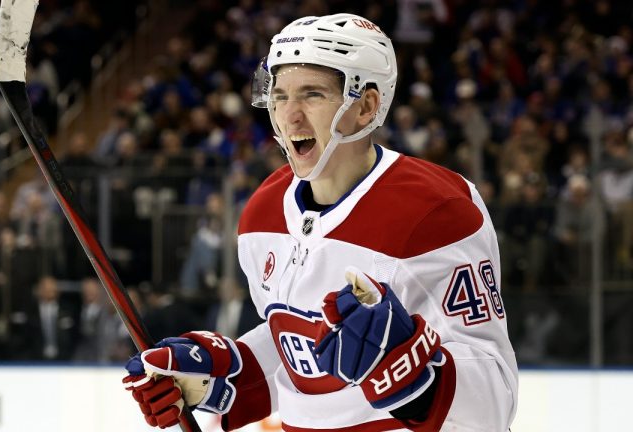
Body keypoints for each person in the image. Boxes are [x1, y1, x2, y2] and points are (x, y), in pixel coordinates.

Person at [122, 14, 518, 431]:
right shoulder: (262, 214)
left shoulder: (437, 212)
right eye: (279, 95)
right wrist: (226, 374)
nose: (289, 116)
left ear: (365, 106)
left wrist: (417, 374)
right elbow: (298, 355)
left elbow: (494, 404)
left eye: (312, 94)